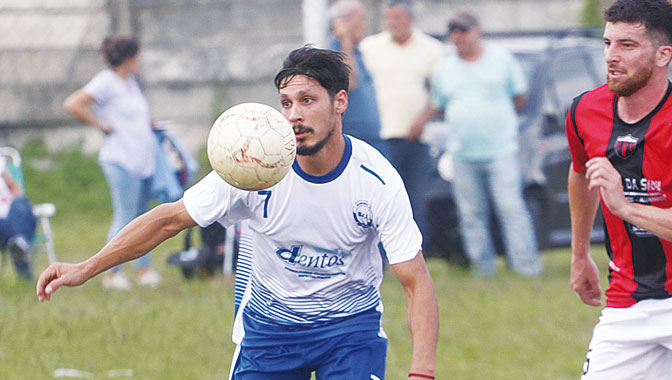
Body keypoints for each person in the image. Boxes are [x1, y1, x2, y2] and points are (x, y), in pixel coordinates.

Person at [37, 46, 439, 380]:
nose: (294, 115)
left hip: (350, 329)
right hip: (270, 330)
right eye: (286, 103)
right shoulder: (254, 169)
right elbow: (169, 219)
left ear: (340, 102)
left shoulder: (376, 181)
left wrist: (421, 372)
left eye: (307, 100)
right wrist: (86, 267)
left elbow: (415, 282)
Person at [566, 0, 672, 378]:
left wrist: (626, 207)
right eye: (607, 43)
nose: (612, 56)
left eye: (627, 45)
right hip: (628, 298)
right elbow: (582, 172)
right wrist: (580, 253)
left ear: (664, 54)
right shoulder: (584, 110)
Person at [429, 11, 543, 277]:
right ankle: (483, 269)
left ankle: (526, 267)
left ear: (477, 31)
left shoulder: (500, 59)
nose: (457, 37)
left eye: (463, 30)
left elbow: (520, 97)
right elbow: (440, 106)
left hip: (500, 150)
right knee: (470, 215)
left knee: (511, 208)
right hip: (461, 152)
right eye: (453, 32)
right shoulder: (445, 68)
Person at [62, 35, 160, 290]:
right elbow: (73, 103)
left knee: (143, 217)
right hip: (120, 159)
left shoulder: (129, 82)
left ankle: (143, 269)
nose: (139, 61)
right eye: (137, 56)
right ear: (128, 58)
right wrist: (100, 125)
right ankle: (111, 273)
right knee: (124, 216)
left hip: (141, 159)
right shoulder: (106, 81)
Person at [360, 0, 444, 247]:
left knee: (415, 200)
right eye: (389, 18)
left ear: (409, 19)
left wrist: (422, 120)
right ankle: (381, 256)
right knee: (381, 202)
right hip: (380, 138)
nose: (392, 24)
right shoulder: (370, 47)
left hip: (416, 138)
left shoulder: (431, 49)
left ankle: (416, 254)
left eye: (397, 18)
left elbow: (438, 92)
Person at [327, 0, 387, 156]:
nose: (364, 25)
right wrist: (345, 39)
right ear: (343, 22)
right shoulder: (333, 52)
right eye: (360, 19)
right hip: (353, 139)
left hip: (372, 139)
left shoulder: (356, 52)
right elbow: (348, 82)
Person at [0, 156, 36, 281]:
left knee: (20, 201)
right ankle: (19, 244)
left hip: (12, 212)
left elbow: (14, 188)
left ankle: (19, 242)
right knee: (18, 236)